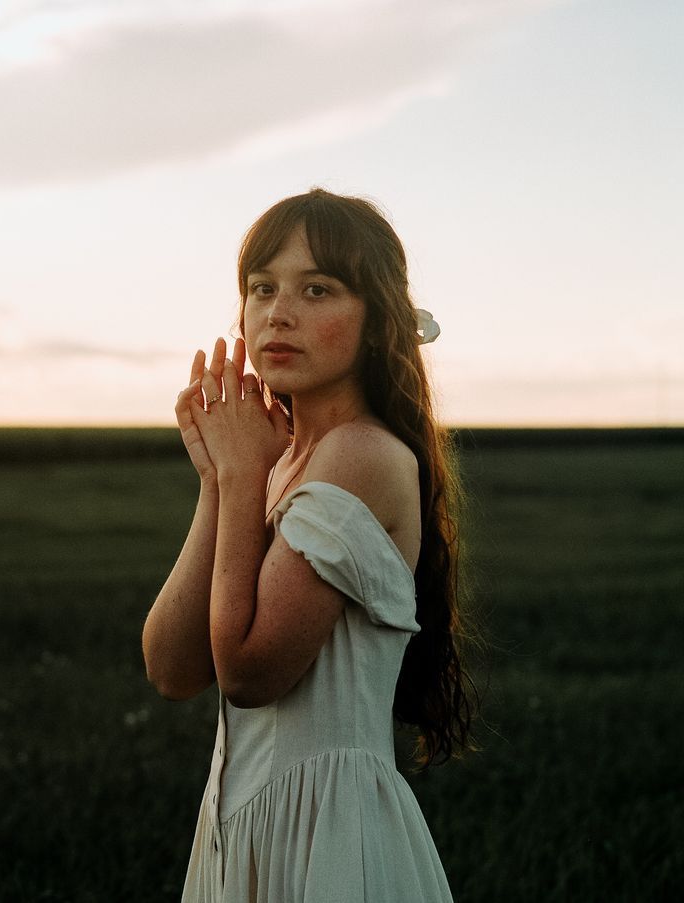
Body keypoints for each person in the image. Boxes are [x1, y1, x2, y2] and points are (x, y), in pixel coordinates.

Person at [142, 188, 474, 902]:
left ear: (377, 318)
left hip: (329, 835)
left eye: (317, 288)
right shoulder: (282, 458)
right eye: (262, 288)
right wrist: (220, 482)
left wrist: (240, 473)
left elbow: (249, 672)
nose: (278, 312)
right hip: (247, 826)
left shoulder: (361, 454)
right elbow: (171, 668)